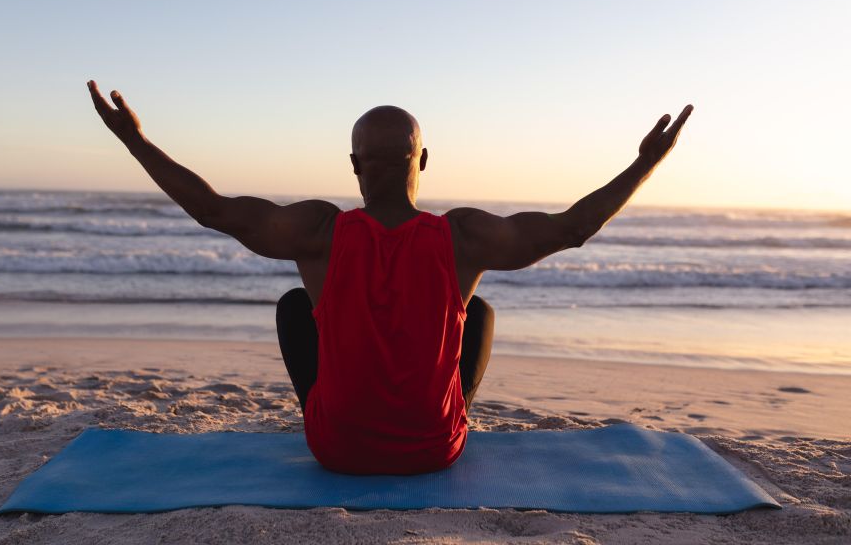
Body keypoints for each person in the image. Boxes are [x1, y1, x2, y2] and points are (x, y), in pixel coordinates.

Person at [87, 80, 692, 475]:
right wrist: (644, 164)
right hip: (435, 451)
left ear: (354, 166)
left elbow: (214, 210)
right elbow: (569, 229)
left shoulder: (317, 232)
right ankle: (439, 412)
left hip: (337, 451)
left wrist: (135, 141)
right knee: (477, 311)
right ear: (422, 160)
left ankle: (339, 412)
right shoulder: (463, 237)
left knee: (297, 305)